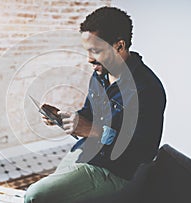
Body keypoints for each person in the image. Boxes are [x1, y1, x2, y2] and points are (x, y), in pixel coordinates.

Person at [24, 6, 166, 203]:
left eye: (96, 51)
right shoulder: (100, 74)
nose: (89, 59)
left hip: (115, 170)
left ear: (119, 46)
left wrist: (94, 131)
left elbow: (144, 151)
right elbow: (88, 114)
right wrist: (65, 118)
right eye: (87, 51)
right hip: (86, 152)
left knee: (35, 196)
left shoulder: (147, 89)